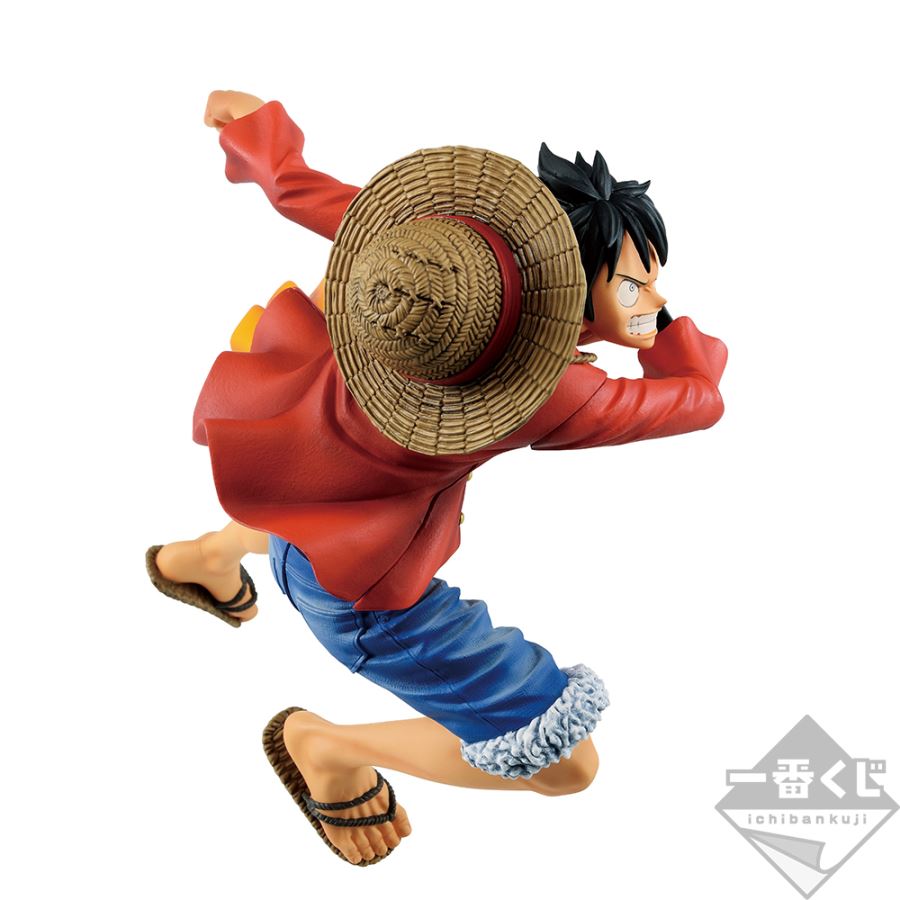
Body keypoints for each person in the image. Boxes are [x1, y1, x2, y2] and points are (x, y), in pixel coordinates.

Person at [147, 91, 727, 866]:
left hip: (295, 477)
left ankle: (203, 558)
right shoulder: (557, 392)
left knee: (318, 510)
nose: (652, 298)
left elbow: (300, 191)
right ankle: (325, 747)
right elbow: (697, 401)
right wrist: (674, 336)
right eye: (631, 286)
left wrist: (259, 134)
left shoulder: (428, 260)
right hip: (361, 596)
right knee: (566, 764)